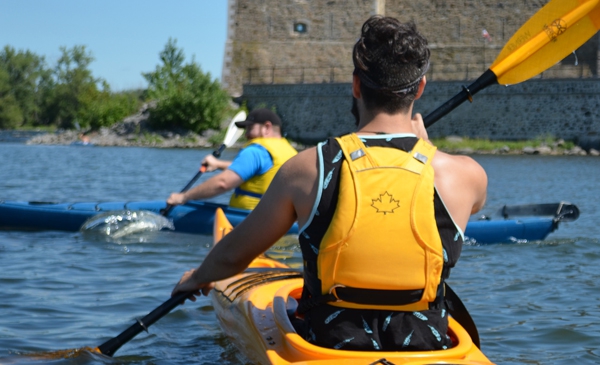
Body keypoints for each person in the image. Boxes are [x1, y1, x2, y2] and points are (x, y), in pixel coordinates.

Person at [171, 16, 487, 352]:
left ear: (355, 85)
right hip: (427, 346)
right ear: (420, 88)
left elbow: (233, 256)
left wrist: (196, 277)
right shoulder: (467, 175)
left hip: (329, 344)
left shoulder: (306, 168)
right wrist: (423, 149)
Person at [166, 108, 298, 210]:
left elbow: (223, 183)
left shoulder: (256, 150)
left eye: (250, 128)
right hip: (281, 222)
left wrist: (183, 197)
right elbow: (258, 171)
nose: (246, 134)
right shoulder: (291, 152)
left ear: (267, 128)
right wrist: (218, 164)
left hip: (251, 222)